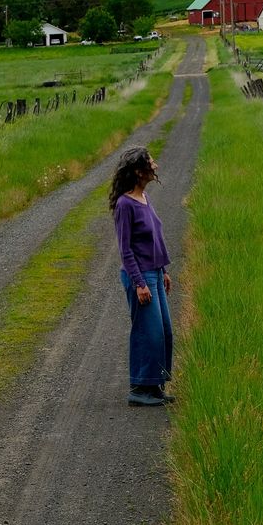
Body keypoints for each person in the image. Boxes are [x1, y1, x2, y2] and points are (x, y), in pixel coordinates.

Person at [109, 146, 174, 406]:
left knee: (164, 332)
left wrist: (163, 271)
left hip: (155, 273)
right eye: (150, 162)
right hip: (140, 277)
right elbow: (125, 249)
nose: (155, 165)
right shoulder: (125, 205)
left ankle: (155, 385)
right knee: (148, 332)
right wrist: (139, 283)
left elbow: (153, 240)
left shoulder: (145, 198)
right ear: (138, 171)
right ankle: (139, 389)